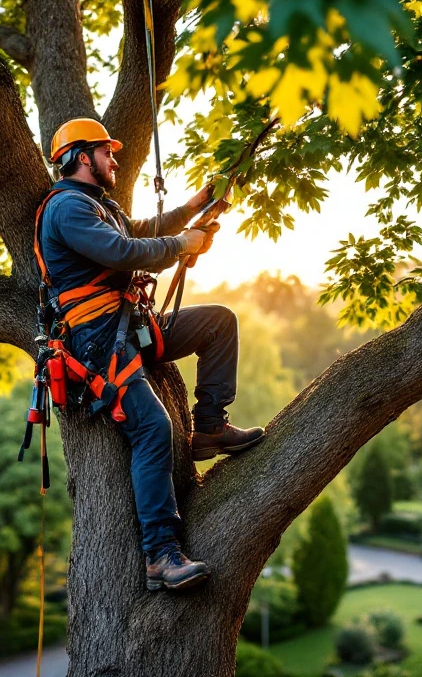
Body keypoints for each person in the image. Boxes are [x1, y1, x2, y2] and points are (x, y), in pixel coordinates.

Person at [36, 117, 265, 592]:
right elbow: (121, 251)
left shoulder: (98, 205)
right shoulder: (66, 210)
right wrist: (182, 245)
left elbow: (140, 229)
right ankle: (161, 555)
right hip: (96, 338)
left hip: (129, 322)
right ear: (82, 157)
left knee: (218, 321)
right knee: (153, 427)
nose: (114, 160)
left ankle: (208, 429)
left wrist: (192, 208)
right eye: (107, 153)